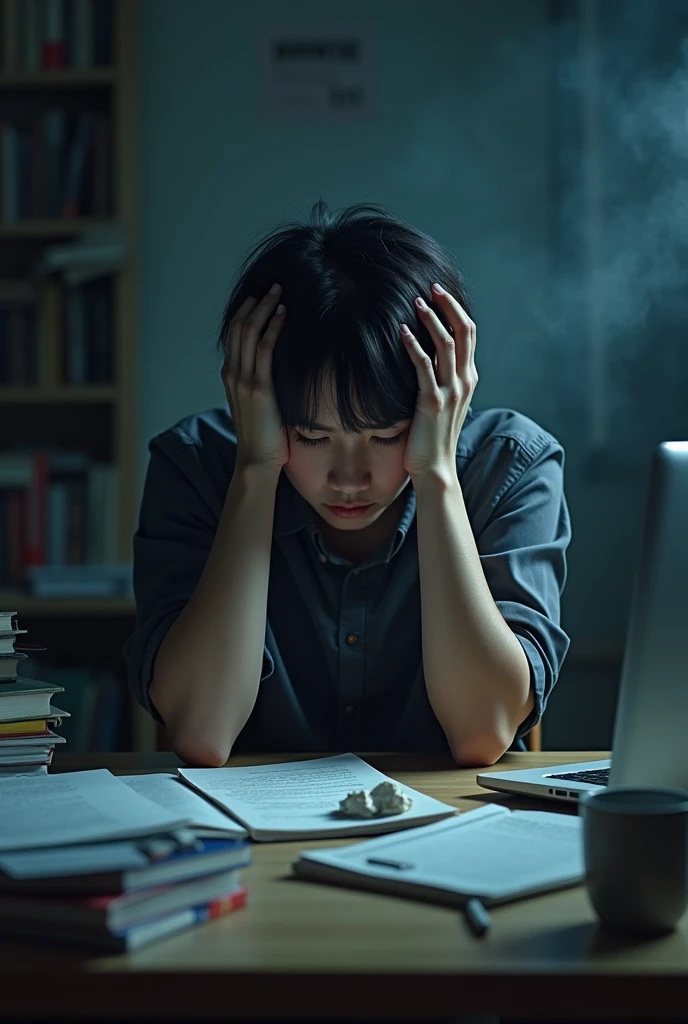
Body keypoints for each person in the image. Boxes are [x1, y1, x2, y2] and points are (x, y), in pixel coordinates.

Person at [123, 200, 571, 768]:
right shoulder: (195, 467)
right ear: (255, 398)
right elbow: (201, 730)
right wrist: (258, 469)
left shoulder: (510, 466)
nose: (349, 478)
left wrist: (434, 474)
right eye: (312, 437)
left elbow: (483, 731)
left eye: (385, 437)